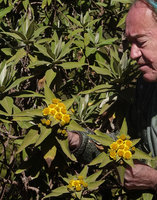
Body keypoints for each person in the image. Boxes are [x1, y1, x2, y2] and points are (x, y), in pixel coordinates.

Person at [68, 0, 157, 193]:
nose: (133, 54)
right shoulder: (146, 87)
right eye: (130, 43)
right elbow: (131, 142)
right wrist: (78, 141)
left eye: (141, 42)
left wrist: (154, 180)